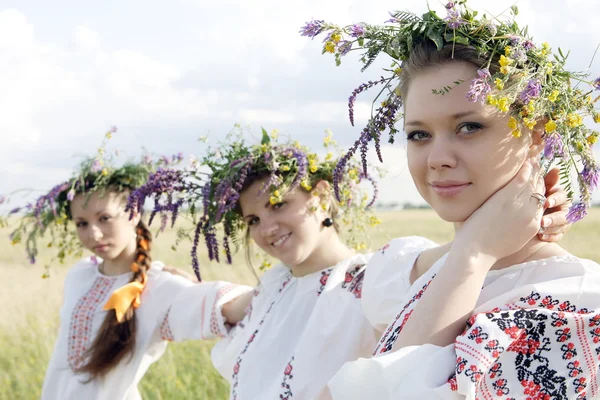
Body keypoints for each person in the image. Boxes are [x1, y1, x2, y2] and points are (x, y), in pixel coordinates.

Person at [131, 125, 573, 399]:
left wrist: (521, 216)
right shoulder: (270, 290)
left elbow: (457, 258)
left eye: (279, 205)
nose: (266, 227)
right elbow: (224, 304)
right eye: (252, 219)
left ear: (322, 195)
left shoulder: (374, 276)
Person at [304, 1, 600, 398]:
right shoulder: (422, 272)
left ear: (535, 135)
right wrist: (474, 249)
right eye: (418, 134)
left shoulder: (577, 306)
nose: (438, 159)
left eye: (469, 126)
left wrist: (476, 252)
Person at [7, 135, 251, 400]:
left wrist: (286, 283)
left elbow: (230, 307)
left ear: (134, 213)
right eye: (82, 224)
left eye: (105, 218)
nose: (94, 234)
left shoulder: (161, 286)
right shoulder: (79, 275)